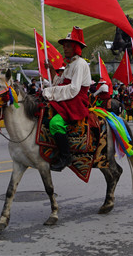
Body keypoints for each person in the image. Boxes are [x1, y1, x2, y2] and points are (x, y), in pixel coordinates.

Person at [42, 27, 93, 172]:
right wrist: (51, 69)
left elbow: (73, 89)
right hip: (69, 98)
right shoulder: (70, 64)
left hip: (76, 100)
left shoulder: (80, 64)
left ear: (76, 47)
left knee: (55, 122)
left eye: (68, 45)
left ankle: (66, 156)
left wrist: (50, 92)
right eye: (64, 45)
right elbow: (59, 82)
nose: (65, 48)